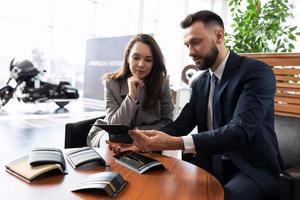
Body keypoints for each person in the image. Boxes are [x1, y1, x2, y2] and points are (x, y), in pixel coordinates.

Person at [107, 11, 283, 200]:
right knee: (164, 190)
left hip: (250, 168)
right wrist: (139, 142)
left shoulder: (256, 72)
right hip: (211, 163)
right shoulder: (200, 82)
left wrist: (174, 143)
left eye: (196, 42)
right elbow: (180, 125)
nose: (190, 51)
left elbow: (239, 132)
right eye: (187, 45)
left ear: (219, 36)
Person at [87, 33, 174, 147]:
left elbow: (168, 122)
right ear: (128, 58)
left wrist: (138, 133)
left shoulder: (162, 82)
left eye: (148, 60)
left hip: (144, 137)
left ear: (154, 63)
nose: (141, 64)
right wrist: (132, 96)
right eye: (136, 58)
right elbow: (114, 126)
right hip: (109, 135)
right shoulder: (111, 82)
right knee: (111, 145)